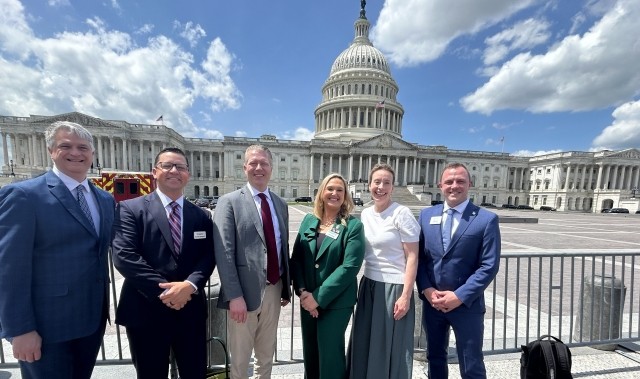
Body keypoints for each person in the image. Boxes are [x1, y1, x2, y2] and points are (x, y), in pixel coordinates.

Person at [0, 121, 115, 379]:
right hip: (46, 327)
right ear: (51, 150)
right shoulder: (23, 195)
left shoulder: (105, 199)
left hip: (91, 321)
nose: (76, 152)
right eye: (66, 146)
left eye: (83, 147)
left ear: (92, 154)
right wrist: (19, 329)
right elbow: (9, 269)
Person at [111, 147, 215, 379]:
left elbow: (208, 256)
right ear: (154, 172)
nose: (174, 171)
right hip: (145, 309)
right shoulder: (130, 208)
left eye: (181, 167)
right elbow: (125, 256)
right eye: (167, 165)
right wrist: (168, 292)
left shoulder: (201, 215)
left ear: (187, 174)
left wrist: (189, 286)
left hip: (189, 311)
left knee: (195, 373)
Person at [416, 163, 501, 379]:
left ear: (470, 184)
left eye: (460, 181)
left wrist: (459, 296)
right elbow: (420, 259)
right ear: (440, 185)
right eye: (449, 182)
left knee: (471, 363)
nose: (454, 186)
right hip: (433, 303)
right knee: (434, 358)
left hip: (467, 306)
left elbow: (489, 265)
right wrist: (426, 289)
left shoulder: (486, 219)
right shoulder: (426, 215)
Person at [212, 144, 291, 379]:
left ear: (271, 168)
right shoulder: (229, 201)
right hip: (243, 295)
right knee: (240, 360)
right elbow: (224, 252)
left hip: (274, 290)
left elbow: (281, 247)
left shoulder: (280, 204)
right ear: (244, 167)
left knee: (266, 357)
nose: (259, 168)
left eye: (264, 163)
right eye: (253, 163)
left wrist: (285, 286)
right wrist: (234, 295)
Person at [348, 163, 420, 378]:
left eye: (386, 182)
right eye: (377, 182)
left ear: (393, 187)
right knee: (365, 341)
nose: (381, 187)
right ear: (369, 185)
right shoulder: (366, 213)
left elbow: (413, 256)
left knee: (389, 346)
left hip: (394, 288)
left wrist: (406, 296)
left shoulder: (402, 213)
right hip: (369, 284)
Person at [290, 173, 365, 379]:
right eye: (330, 189)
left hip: (337, 303)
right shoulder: (308, 220)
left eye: (340, 190)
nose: (335, 193)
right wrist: (304, 292)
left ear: (346, 195)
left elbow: (350, 267)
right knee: (311, 353)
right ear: (322, 192)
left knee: (330, 356)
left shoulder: (353, 226)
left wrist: (318, 298)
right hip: (307, 300)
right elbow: (297, 259)